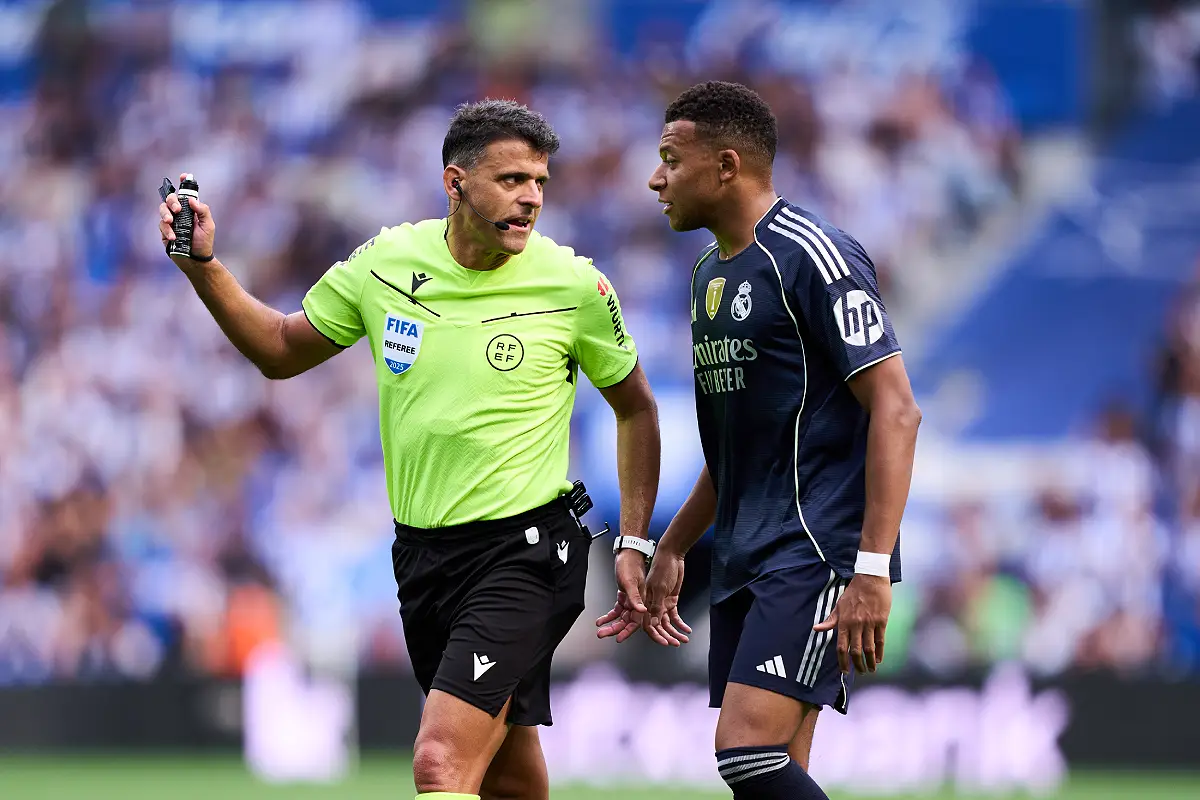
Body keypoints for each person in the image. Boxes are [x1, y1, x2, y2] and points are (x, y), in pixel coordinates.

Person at [158, 99, 661, 800]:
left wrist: (635, 540)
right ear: (455, 183)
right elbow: (279, 349)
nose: (531, 197)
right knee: (508, 773)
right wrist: (201, 267)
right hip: (424, 559)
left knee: (439, 764)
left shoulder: (575, 285)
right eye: (512, 179)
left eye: (540, 182)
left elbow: (635, 407)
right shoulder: (388, 263)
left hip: (526, 554)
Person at [598, 81, 922, 799]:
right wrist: (673, 544)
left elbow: (897, 411)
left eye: (669, 160)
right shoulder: (707, 276)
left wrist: (869, 568)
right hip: (748, 551)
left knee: (745, 752)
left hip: (815, 550)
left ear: (725, 166)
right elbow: (736, 449)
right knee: (776, 770)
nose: (654, 178)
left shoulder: (813, 254)